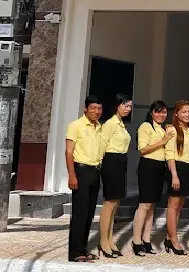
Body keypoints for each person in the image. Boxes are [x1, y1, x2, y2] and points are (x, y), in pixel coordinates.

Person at [132, 101, 175, 256]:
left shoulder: (163, 128)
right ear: (151, 112)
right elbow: (142, 149)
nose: (161, 115)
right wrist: (163, 141)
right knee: (144, 204)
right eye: (158, 112)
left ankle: (146, 239)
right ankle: (136, 241)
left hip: (160, 167)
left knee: (152, 205)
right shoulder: (146, 126)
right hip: (148, 166)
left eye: (164, 112)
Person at [65, 95, 103, 263]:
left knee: (89, 213)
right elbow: (68, 152)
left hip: (95, 171)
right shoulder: (76, 126)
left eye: (99, 108)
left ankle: (83, 249)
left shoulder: (99, 127)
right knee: (79, 213)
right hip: (81, 171)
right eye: (93, 108)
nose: (96, 111)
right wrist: (72, 175)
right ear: (86, 109)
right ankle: (75, 252)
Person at [98, 93, 132, 257]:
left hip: (121, 162)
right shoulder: (110, 124)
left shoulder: (121, 125)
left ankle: (110, 239)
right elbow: (102, 146)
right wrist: (100, 164)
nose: (128, 109)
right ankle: (103, 242)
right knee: (109, 202)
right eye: (125, 105)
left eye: (130, 106)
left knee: (116, 203)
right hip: (111, 162)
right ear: (117, 105)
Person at [164, 100, 189, 255]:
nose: (187, 114)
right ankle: (174, 240)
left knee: (179, 207)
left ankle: (168, 237)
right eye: (184, 111)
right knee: (173, 205)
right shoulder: (172, 130)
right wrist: (174, 175)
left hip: (188, 169)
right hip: (177, 169)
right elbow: (170, 154)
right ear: (176, 114)